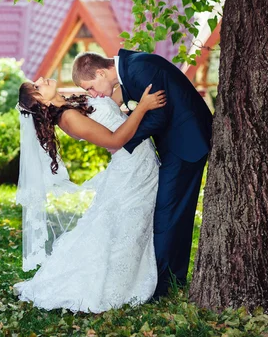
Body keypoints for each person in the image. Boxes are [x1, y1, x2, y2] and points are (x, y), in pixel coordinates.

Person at [14, 77, 165, 313]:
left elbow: (111, 110)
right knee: (126, 229)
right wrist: (143, 106)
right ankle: (113, 286)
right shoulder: (68, 118)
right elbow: (116, 139)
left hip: (138, 162)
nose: (41, 79)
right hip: (132, 168)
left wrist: (117, 81)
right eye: (37, 86)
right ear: (41, 102)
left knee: (123, 227)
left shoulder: (70, 104)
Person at [72, 49, 213, 298]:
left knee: (168, 214)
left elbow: (159, 116)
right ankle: (171, 280)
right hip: (174, 145)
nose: (93, 94)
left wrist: (119, 141)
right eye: (88, 93)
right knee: (173, 214)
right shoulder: (130, 70)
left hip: (186, 144)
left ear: (102, 72)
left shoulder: (139, 68)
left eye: (91, 87)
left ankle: (163, 286)